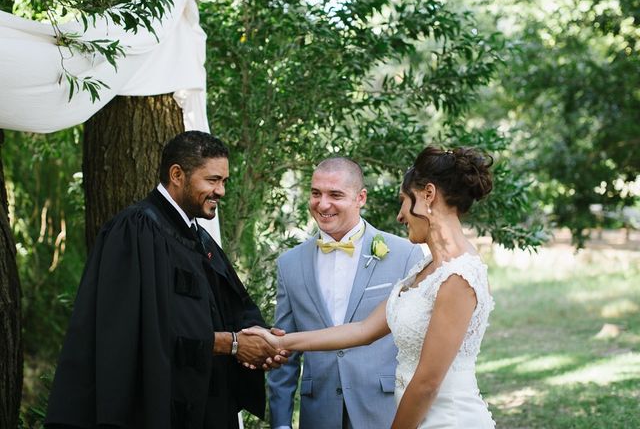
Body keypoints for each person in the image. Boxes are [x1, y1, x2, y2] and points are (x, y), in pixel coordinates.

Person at [45, 131, 287, 429]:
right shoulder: (135, 231)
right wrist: (233, 344)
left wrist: (261, 339)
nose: (221, 191)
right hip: (156, 411)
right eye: (212, 180)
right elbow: (130, 334)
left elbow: (230, 306)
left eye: (224, 181)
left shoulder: (199, 239)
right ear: (177, 174)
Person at [247, 146, 496, 428]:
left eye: (404, 200)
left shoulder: (458, 276)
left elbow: (427, 383)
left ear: (428, 195)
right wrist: (279, 342)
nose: (401, 215)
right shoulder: (423, 270)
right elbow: (363, 330)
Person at [267, 157, 424, 429]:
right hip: (319, 414)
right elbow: (285, 354)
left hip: (385, 411)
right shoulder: (289, 264)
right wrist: (281, 423)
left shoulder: (404, 254)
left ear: (360, 198)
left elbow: (420, 344)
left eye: (335, 195)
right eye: (316, 193)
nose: (322, 204)